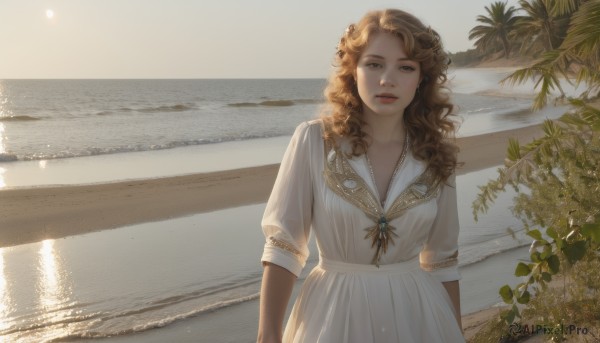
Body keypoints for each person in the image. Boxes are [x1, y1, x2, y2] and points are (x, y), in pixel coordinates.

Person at [257, 8, 464, 343]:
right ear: (353, 70)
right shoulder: (314, 141)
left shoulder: (437, 155)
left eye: (406, 67)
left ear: (421, 79)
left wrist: (456, 332)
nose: (388, 79)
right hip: (331, 316)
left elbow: (442, 261)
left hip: (419, 319)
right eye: (374, 64)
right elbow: (283, 246)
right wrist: (268, 335)